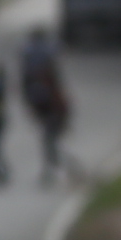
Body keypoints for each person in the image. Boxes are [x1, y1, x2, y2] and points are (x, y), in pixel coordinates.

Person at [19, 30, 73, 185]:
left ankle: (54, 169)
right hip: (49, 110)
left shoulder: (36, 76)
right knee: (49, 141)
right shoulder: (45, 75)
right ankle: (52, 169)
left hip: (50, 111)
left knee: (49, 141)